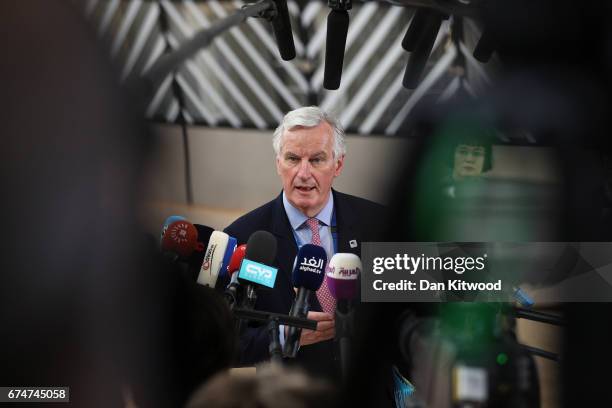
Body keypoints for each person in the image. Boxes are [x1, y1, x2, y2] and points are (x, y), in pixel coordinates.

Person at [224, 106, 385, 379]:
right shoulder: (243, 238)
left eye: (317, 160)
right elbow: (223, 344)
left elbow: (424, 306)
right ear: (278, 163)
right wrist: (286, 333)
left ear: (338, 164)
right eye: (292, 158)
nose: (303, 172)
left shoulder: (380, 223)